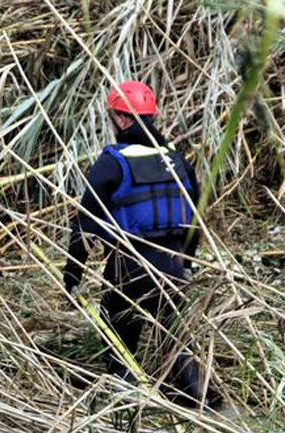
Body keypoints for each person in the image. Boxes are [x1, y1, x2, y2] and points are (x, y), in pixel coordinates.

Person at [63, 80, 219, 409]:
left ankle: (128, 399)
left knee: (117, 331)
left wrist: (72, 277)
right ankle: (201, 400)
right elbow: (194, 220)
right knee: (175, 337)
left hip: (130, 267)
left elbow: (85, 225)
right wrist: (186, 265)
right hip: (173, 267)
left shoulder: (112, 162)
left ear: (120, 120)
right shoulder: (176, 160)